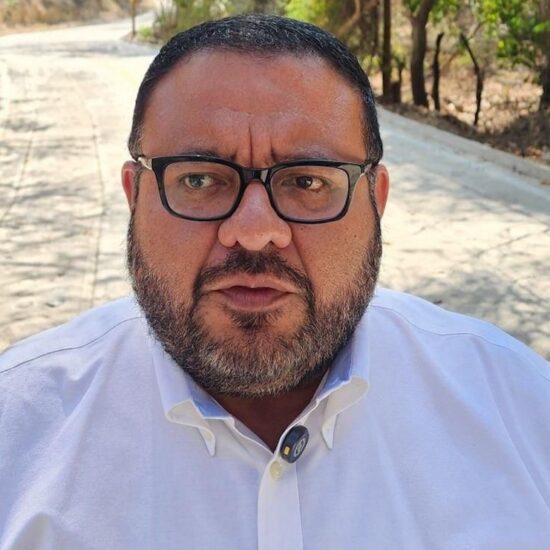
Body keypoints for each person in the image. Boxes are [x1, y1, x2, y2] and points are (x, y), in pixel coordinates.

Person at [1, 14, 549, 550]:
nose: (254, 231)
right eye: (199, 179)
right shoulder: (18, 435)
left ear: (376, 200)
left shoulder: (521, 409)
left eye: (307, 182)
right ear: (135, 195)